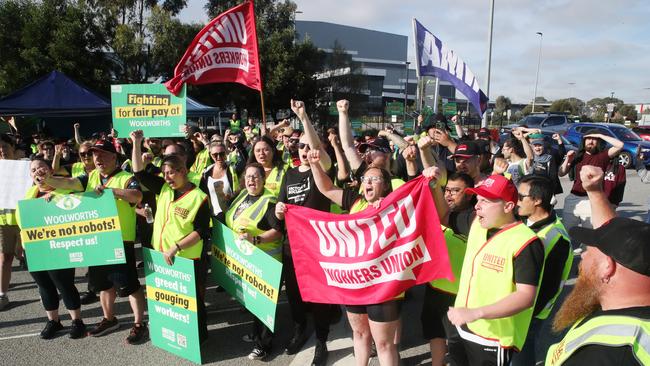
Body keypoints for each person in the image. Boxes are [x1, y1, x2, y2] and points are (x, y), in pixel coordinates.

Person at [308, 147, 432, 366]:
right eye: (365, 178)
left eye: (375, 179)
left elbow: (419, 196)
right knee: (360, 335)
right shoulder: (355, 201)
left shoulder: (397, 204)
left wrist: (385, 207)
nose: (368, 182)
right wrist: (314, 164)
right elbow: (326, 188)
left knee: (384, 345)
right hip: (355, 284)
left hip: (383, 287)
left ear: (385, 185)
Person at [41, 139, 148, 344]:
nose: (97, 158)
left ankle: (138, 323)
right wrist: (48, 181)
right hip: (97, 241)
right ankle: (109, 319)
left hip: (119, 240)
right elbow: (69, 184)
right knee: (102, 285)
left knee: (130, 286)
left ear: (114, 157)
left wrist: (113, 192)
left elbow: (136, 195)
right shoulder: (91, 176)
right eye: (94, 154)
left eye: (102, 154)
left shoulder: (125, 177)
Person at [546, 165, 650, 366]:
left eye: (588, 250)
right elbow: (620, 243)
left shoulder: (602, 355)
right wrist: (595, 192)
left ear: (607, 267)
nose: (582, 255)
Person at [447, 174, 545, 366]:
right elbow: (443, 214)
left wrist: (476, 313)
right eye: (477, 199)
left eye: (485, 201)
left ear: (508, 206)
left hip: (492, 338)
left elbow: (526, 296)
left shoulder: (526, 242)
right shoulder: (478, 224)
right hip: (463, 327)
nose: (477, 206)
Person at [130, 130, 211, 342]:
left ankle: (199, 339)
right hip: (162, 256)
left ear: (183, 170)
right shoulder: (164, 188)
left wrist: (177, 247)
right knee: (169, 301)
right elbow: (138, 173)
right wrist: (137, 143)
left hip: (186, 259)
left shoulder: (198, 197)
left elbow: (201, 231)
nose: (166, 178)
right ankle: (177, 338)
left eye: (171, 173)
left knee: (192, 302)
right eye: (164, 173)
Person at [274, 100, 334, 366]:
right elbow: (281, 205)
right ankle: (300, 329)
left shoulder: (322, 169)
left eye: (309, 145)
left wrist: (303, 115)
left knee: (318, 293)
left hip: (317, 244)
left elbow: (318, 148)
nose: (306, 149)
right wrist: (278, 211)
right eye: (300, 145)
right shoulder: (289, 174)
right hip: (292, 245)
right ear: (294, 149)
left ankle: (322, 340)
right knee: (295, 294)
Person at [18, 159, 86, 339]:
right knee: (44, 286)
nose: (37, 171)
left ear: (50, 170)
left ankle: (77, 321)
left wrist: (55, 200)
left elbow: (75, 209)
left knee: (64, 284)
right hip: (34, 248)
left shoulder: (65, 188)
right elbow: (23, 223)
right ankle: (53, 321)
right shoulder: (29, 194)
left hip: (59, 247)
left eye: (41, 167)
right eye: (33, 169)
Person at [510, 175, 572, 366]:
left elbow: (549, 287)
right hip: (514, 305)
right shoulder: (523, 221)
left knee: (520, 353)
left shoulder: (556, 238)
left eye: (521, 197)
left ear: (537, 200)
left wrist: (524, 309)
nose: (515, 201)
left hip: (529, 311)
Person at [224, 163, 283, 360]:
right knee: (254, 302)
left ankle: (263, 345)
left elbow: (277, 232)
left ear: (263, 179)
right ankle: (256, 334)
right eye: (248, 177)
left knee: (264, 305)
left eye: (256, 177)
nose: (251, 180)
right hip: (246, 260)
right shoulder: (242, 196)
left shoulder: (269, 202)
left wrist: (256, 240)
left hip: (265, 260)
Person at [559, 130, 623, 231]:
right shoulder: (578, 156)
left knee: (590, 236)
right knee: (566, 232)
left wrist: (599, 135)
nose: (591, 141)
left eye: (594, 139)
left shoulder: (603, 156)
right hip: (573, 198)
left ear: (599, 142)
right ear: (583, 141)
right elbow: (561, 173)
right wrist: (568, 159)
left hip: (591, 199)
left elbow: (620, 145)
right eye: (588, 139)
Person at [0, 134, 22, 310]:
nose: (2, 151)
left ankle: (43, 288)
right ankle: (2, 295)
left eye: (5, 147)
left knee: (32, 258)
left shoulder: (26, 166)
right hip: (3, 221)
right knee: (4, 258)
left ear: (12, 148)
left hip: (26, 220)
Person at [200, 141, 239, 223]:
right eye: (215, 155)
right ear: (210, 155)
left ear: (226, 153)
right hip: (214, 217)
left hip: (232, 215)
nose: (219, 157)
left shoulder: (233, 169)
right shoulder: (206, 172)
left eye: (221, 154)